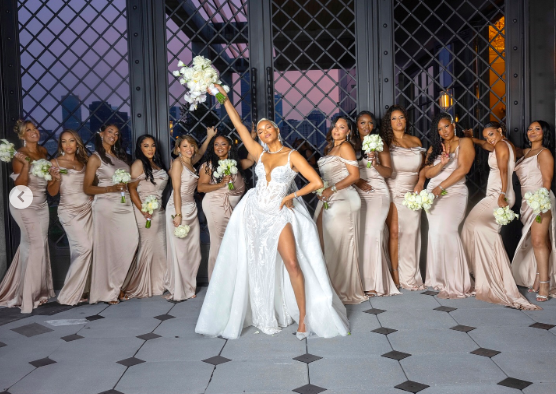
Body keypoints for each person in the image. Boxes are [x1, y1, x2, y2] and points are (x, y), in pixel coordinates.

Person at [195, 85, 349, 339]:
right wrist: (223, 97)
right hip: (255, 212)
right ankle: (263, 311)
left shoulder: (292, 155)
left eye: (269, 129)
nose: (264, 133)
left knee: (291, 262)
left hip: (278, 211)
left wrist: (291, 195)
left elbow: (316, 183)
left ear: (277, 130)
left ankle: (303, 318)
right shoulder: (259, 153)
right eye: (261, 131)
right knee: (258, 263)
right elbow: (239, 126)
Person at [461, 122, 539, 309]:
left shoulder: (502, 145)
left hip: (499, 195)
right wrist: (474, 139)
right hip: (495, 194)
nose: (489, 138)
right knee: (470, 226)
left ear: (500, 131)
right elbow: (486, 145)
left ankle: (495, 275)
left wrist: (502, 194)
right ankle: (482, 272)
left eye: (491, 134)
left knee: (482, 228)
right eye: (487, 136)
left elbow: (504, 170)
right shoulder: (501, 143)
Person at [0, 120, 55, 313]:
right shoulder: (19, 156)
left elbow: (47, 180)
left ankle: (35, 291)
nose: (34, 132)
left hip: (41, 203)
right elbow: (20, 185)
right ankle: (27, 297)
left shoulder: (43, 152)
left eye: (35, 129)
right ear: (22, 136)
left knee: (34, 244)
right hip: (24, 202)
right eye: (28, 130)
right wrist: (24, 165)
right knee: (36, 243)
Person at [84, 124, 138, 305]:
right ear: (101, 134)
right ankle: (108, 292)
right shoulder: (95, 158)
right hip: (106, 206)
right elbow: (86, 187)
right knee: (108, 249)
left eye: (116, 133)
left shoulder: (121, 157)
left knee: (131, 242)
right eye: (110, 132)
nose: (113, 135)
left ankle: (118, 286)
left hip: (124, 205)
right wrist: (110, 188)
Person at [315, 116, 367, 304]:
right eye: (335, 126)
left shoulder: (345, 147)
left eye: (342, 127)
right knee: (326, 242)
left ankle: (343, 289)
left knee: (337, 246)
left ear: (348, 132)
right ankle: (330, 286)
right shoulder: (330, 148)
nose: (336, 130)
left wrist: (331, 189)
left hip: (343, 198)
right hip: (329, 196)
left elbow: (354, 176)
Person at [424, 112, 474, 298]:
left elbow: (463, 169)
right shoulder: (435, 148)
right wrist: (441, 165)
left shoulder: (465, 142)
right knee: (436, 233)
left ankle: (456, 280)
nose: (444, 131)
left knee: (448, 231)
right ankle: (439, 278)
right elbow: (427, 173)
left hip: (454, 192)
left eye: (446, 126)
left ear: (453, 125)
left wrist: (441, 187)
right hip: (433, 194)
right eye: (439, 129)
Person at [352, 111, 399, 297]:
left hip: (378, 192)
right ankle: (360, 281)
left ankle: (375, 282)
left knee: (373, 233)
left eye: (370, 123)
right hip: (358, 192)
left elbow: (389, 173)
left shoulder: (380, 144)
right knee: (361, 234)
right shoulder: (351, 145)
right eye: (362, 122)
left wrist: (375, 162)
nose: (366, 126)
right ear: (356, 125)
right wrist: (358, 183)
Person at [383, 105, 426, 290]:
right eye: (394, 118)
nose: (398, 121)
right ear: (389, 122)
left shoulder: (415, 140)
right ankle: (394, 274)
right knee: (394, 234)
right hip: (393, 191)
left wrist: (420, 183)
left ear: (406, 120)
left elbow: (423, 168)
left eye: (401, 117)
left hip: (413, 194)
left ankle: (410, 274)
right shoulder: (385, 143)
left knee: (411, 234)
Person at [512, 121, 556, 302]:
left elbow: (547, 181)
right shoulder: (524, 153)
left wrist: (540, 203)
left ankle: (544, 283)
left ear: (544, 133)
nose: (532, 132)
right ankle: (539, 278)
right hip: (526, 202)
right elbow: (508, 147)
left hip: (540, 200)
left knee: (538, 241)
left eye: (537, 129)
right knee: (540, 242)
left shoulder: (544, 153)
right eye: (530, 129)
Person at [48, 130, 93, 305]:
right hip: (69, 211)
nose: (68, 145)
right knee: (84, 248)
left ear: (77, 143)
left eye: (71, 141)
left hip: (87, 209)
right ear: (60, 145)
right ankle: (68, 294)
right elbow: (52, 192)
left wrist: (92, 195)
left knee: (82, 250)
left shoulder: (84, 162)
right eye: (64, 141)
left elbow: (90, 185)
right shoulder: (55, 163)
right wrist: (56, 178)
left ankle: (83, 290)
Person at [198, 132, 250, 280]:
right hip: (216, 205)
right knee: (219, 243)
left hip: (231, 208)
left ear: (229, 147)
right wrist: (221, 184)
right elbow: (201, 187)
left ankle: (228, 281)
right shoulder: (209, 165)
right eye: (216, 144)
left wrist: (250, 138)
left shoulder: (236, 164)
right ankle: (216, 282)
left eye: (223, 144)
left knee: (230, 243)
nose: (219, 147)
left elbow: (251, 160)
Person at [123, 135, 168, 299]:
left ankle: (159, 283)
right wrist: (143, 210)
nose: (150, 149)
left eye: (152, 145)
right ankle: (139, 285)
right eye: (146, 146)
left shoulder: (156, 163)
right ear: (139, 148)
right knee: (148, 247)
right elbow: (132, 189)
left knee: (159, 248)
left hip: (159, 211)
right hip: (145, 213)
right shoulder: (138, 163)